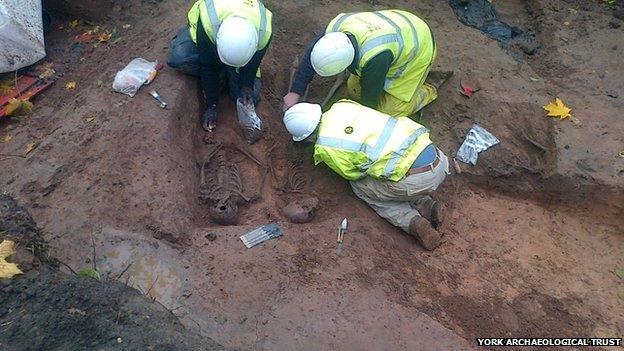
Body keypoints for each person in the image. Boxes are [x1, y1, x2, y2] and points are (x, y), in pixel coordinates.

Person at [283, 100, 450, 250]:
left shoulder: (325, 146)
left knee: (361, 188)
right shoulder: (342, 106)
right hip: (437, 157)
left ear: (308, 137)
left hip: (418, 179)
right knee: (390, 174)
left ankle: (413, 222)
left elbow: (352, 174)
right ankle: (427, 206)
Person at [283, 10, 437, 118]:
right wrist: (295, 91)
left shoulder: (374, 59)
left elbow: (369, 103)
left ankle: (428, 90)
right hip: (398, 24)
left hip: (419, 47)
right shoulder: (335, 29)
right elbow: (312, 55)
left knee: (388, 110)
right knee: (354, 90)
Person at [168, 0, 273, 131]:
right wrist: (211, 104)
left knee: (249, 98)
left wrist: (246, 86)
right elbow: (208, 66)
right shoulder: (208, 20)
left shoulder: (264, 31)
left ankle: (227, 74)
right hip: (204, 36)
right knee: (180, 58)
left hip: (237, 55)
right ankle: (223, 75)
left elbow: (253, 64)